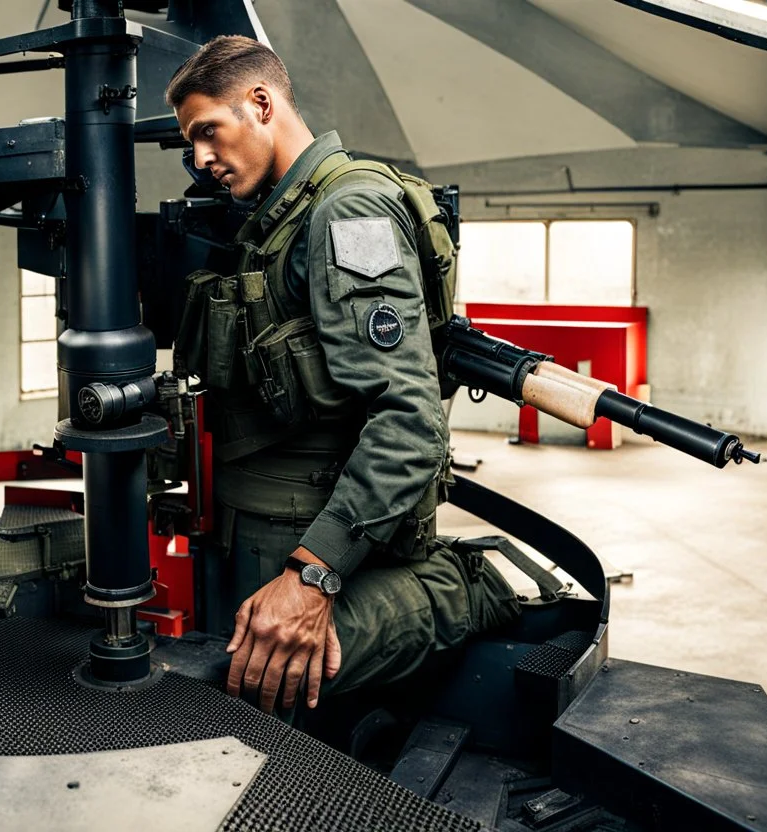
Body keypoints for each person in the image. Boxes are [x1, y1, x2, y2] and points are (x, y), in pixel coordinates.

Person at [164, 36, 520, 714]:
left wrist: (312, 577)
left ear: (261, 104)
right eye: (191, 144)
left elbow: (410, 424)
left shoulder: (347, 211)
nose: (201, 159)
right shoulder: (276, 220)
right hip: (259, 527)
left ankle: (456, 589)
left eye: (208, 132)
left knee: (261, 702)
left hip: (312, 539)